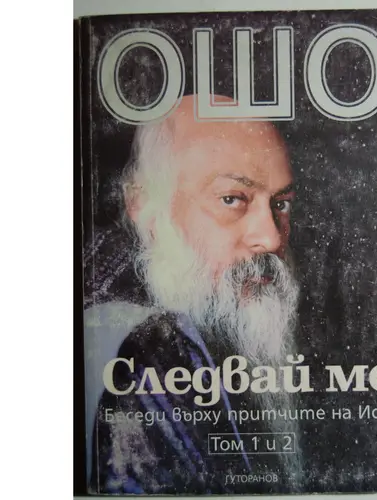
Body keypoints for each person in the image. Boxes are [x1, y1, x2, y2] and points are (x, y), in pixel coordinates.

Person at [86, 95, 304, 494]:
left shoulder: (219, 308)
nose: (272, 238)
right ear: (145, 208)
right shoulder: (139, 347)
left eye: (281, 203)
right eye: (231, 199)